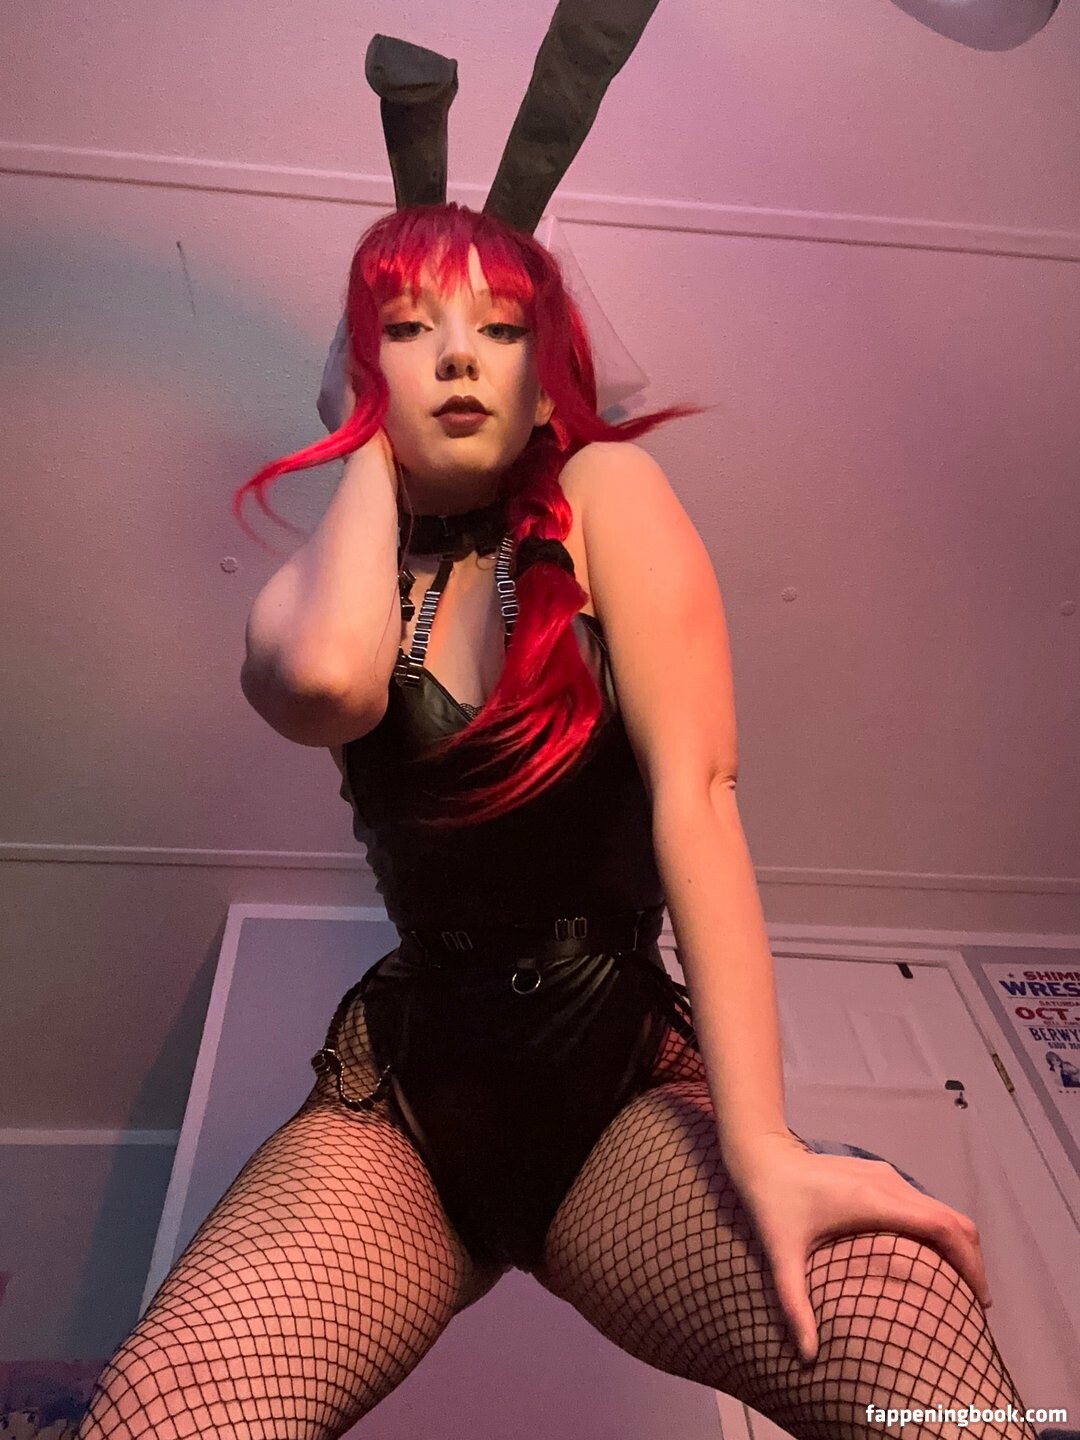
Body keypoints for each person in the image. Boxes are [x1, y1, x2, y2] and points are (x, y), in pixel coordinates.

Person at [78, 18, 1041, 1440]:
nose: (457, 360)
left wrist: (763, 1142)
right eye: (410, 332)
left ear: (546, 374)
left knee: (909, 1328)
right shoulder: (339, 582)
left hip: (612, 1096)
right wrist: (364, 448)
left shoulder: (607, 501)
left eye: (499, 329)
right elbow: (329, 683)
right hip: (406, 1112)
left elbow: (701, 797)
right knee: (157, 1415)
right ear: (360, 375)